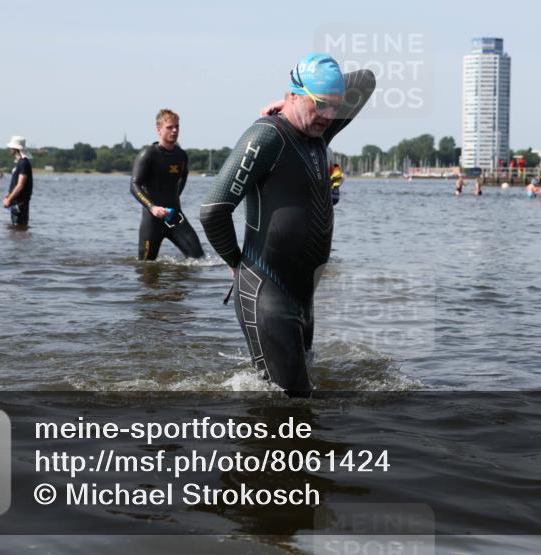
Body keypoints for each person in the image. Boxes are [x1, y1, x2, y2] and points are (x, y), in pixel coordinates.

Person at [200, 53, 376, 396]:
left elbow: (366, 80)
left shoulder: (319, 131)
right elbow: (213, 210)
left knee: (303, 399)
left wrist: (302, 100)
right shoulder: (267, 136)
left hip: (302, 298)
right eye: (320, 104)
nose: (329, 115)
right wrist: (235, 263)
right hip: (265, 293)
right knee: (291, 403)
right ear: (295, 95)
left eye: (335, 105)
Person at [131, 109, 205, 261]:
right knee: (146, 266)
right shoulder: (148, 154)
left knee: (199, 259)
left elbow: (184, 176)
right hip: (152, 220)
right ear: (158, 129)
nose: (175, 130)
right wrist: (152, 207)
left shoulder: (181, 155)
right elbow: (134, 185)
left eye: (177, 126)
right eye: (170, 127)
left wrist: (175, 197)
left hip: (175, 216)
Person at [3, 136, 33, 227]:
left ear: (15, 148)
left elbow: (20, 185)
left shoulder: (23, 163)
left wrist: (8, 199)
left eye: (11, 147)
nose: (10, 149)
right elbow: (15, 183)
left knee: (18, 227)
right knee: (16, 230)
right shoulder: (19, 162)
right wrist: (8, 196)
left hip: (20, 203)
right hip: (16, 202)